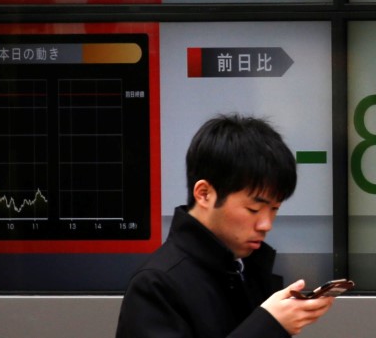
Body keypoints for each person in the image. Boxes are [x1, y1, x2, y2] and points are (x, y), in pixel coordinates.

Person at [116, 114, 335, 338]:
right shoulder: (155, 285)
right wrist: (269, 325)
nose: (266, 224)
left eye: (274, 209)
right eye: (253, 209)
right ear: (204, 194)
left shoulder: (247, 268)